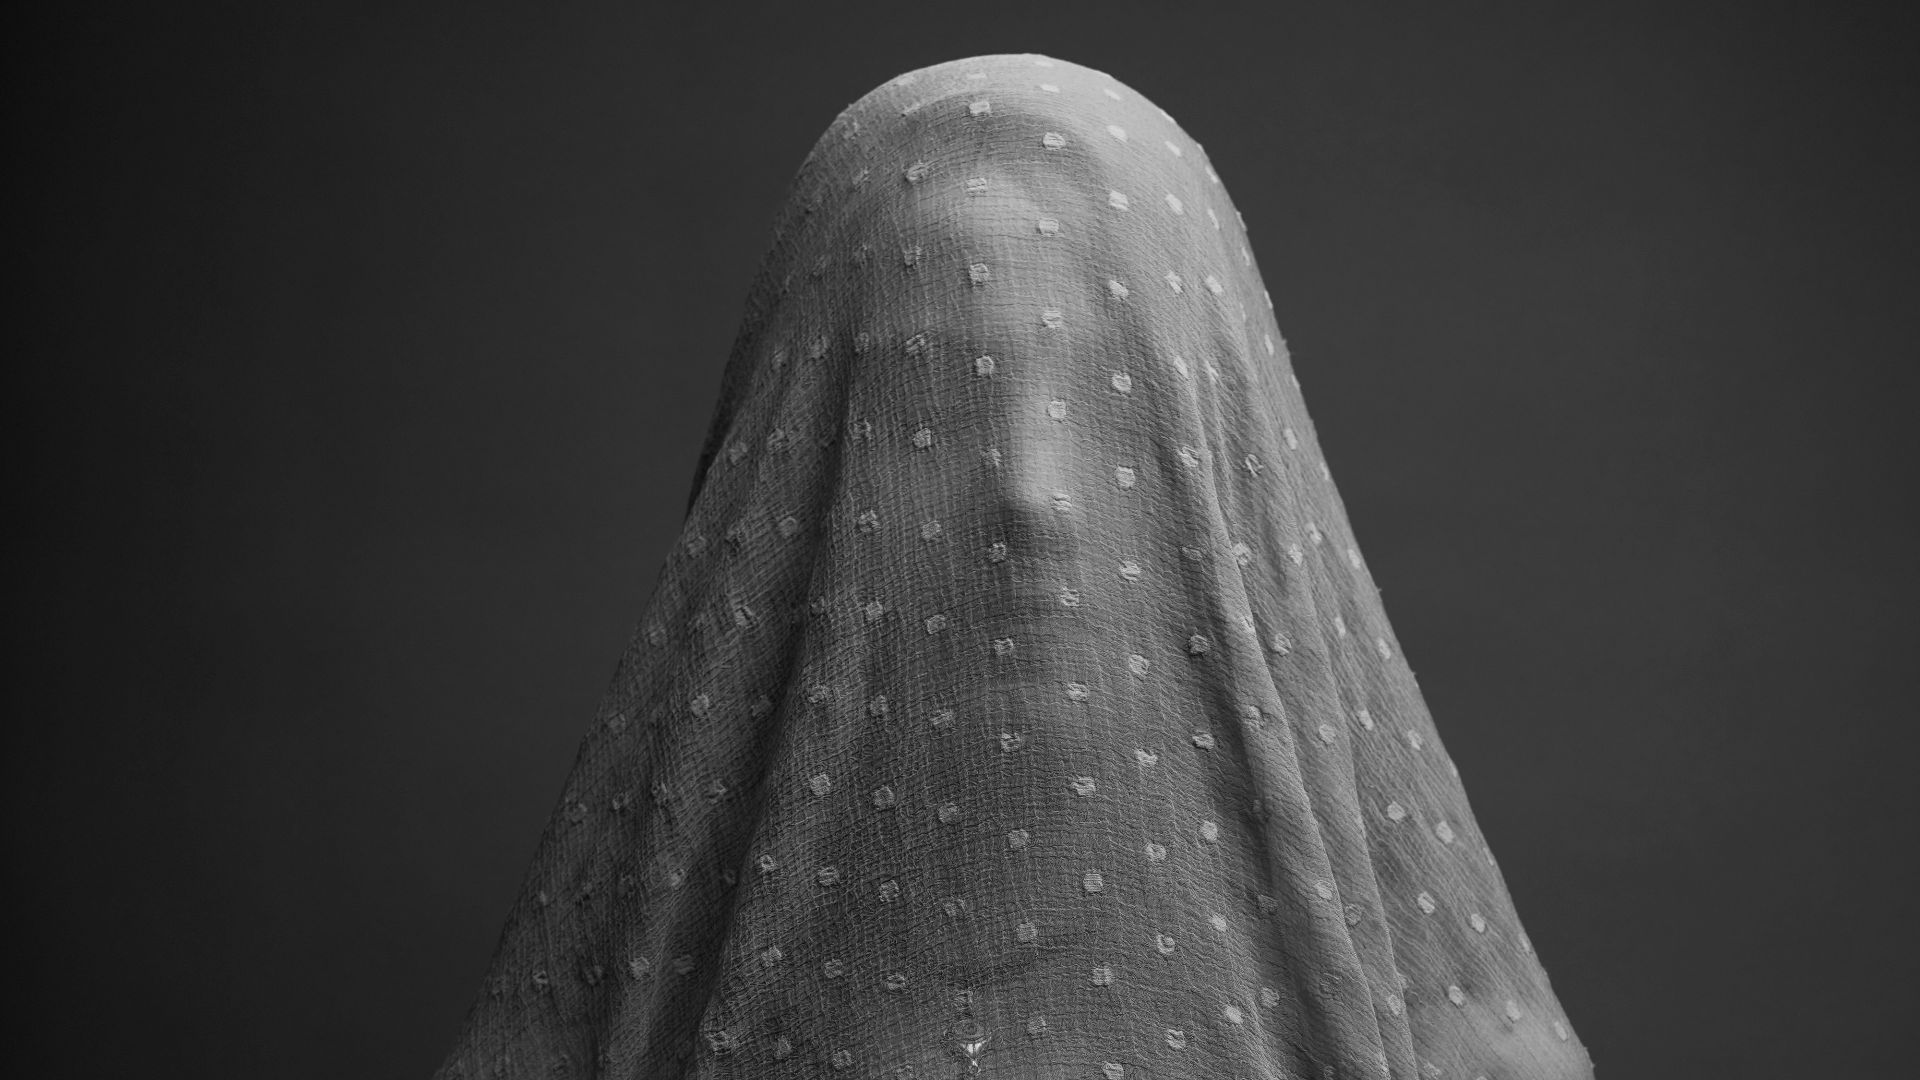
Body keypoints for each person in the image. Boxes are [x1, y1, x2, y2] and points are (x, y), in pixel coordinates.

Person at [429, 52, 1597, 1080]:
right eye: (938, 385)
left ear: (1227, 446)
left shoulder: (1464, 1049)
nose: (1026, 493)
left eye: (1107, 388)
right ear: (792, 467)